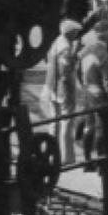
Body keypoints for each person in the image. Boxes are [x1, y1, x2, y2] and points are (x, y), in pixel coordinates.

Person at [42, 19, 83, 163]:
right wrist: (75, 53)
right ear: (70, 33)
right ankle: (66, 156)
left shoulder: (56, 42)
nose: (77, 35)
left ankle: (51, 153)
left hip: (51, 86)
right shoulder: (66, 48)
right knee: (67, 121)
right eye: (76, 32)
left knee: (54, 122)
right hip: (63, 89)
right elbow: (66, 70)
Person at [77, 19, 108, 166]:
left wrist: (84, 85)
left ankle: (87, 161)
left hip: (87, 92)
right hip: (100, 96)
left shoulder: (86, 50)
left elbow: (77, 71)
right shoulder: (105, 55)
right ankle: (102, 163)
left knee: (89, 125)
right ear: (107, 35)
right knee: (102, 128)